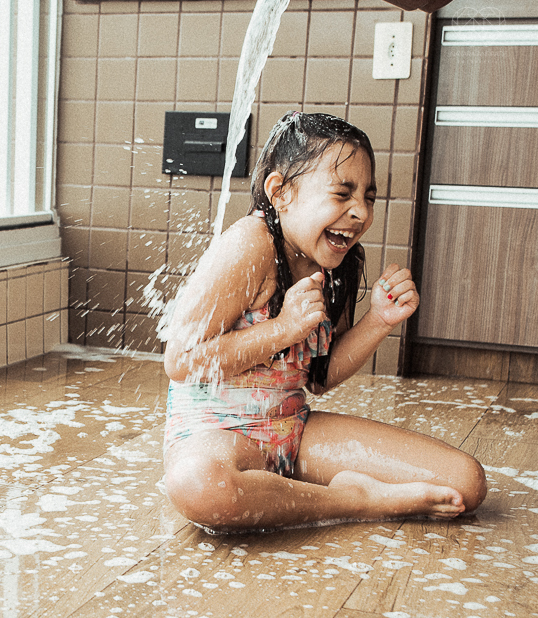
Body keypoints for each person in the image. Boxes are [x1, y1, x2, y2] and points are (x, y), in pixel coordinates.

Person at [161, 111, 487, 532]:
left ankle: (294, 491)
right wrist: (283, 328)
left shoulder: (339, 263)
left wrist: (379, 320)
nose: (360, 214)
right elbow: (181, 362)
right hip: (218, 439)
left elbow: (319, 378)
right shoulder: (250, 244)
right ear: (281, 192)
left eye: (368, 197)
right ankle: (355, 500)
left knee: (466, 484)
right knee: (199, 486)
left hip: (292, 434)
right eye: (342, 194)